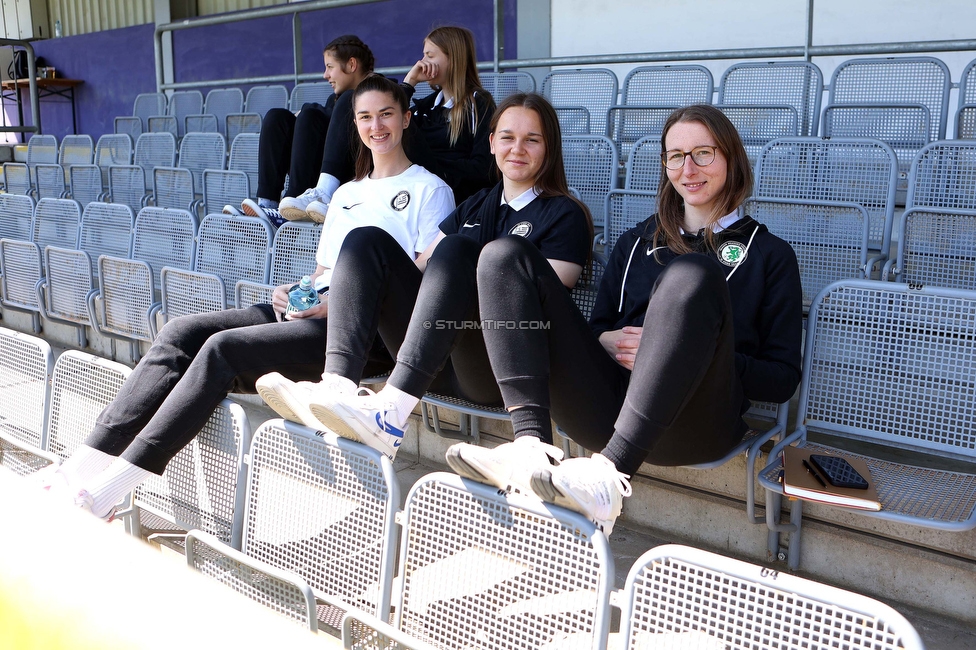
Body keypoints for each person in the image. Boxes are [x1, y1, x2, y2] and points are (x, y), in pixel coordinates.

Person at [37, 76, 455, 520]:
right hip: (313, 311)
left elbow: (416, 285)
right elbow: (324, 271)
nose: (377, 126)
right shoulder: (347, 195)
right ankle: (80, 468)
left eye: (387, 114)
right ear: (354, 123)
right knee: (181, 331)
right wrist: (298, 292)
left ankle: (112, 490)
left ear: (406, 118)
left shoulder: (431, 190)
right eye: (366, 117)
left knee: (222, 350)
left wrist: (333, 305)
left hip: (361, 338)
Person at [445, 104, 803, 534]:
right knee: (503, 255)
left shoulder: (771, 255)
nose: (688, 168)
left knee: (693, 272)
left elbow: (781, 379)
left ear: (731, 158)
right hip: (607, 410)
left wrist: (689, 356)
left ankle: (609, 478)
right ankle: (530, 444)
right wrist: (605, 342)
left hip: (695, 422)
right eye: (675, 155)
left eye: (703, 153)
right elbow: (594, 331)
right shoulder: (636, 241)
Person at [257, 92, 592, 463]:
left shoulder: (565, 214)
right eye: (508, 137)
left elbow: (545, 305)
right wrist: (337, 299)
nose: (518, 149)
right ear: (492, 143)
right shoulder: (475, 204)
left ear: (549, 148)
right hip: (433, 357)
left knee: (459, 251)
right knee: (366, 240)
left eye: (532, 139)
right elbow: (413, 273)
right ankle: (337, 385)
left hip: (496, 368)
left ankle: (392, 413)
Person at [229, 35, 374, 226]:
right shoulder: (335, 99)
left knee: (310, 114)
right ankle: (267, 204)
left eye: (330, 67)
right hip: (322, 169)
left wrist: (308, 113)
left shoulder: (378, 91)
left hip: (355, 172)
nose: (325, 75)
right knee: (277, 118)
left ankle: (291, 203)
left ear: (352, 65)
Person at [399, 26, 496, 204]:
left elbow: (483, 168)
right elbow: (391, 124)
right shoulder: (425, 107)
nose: (421, 62)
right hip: (415, 193)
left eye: (430, 55)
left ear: (452, 59)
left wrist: (428, 166)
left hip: (458, 199)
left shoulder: (478, 102)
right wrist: (408, 83)